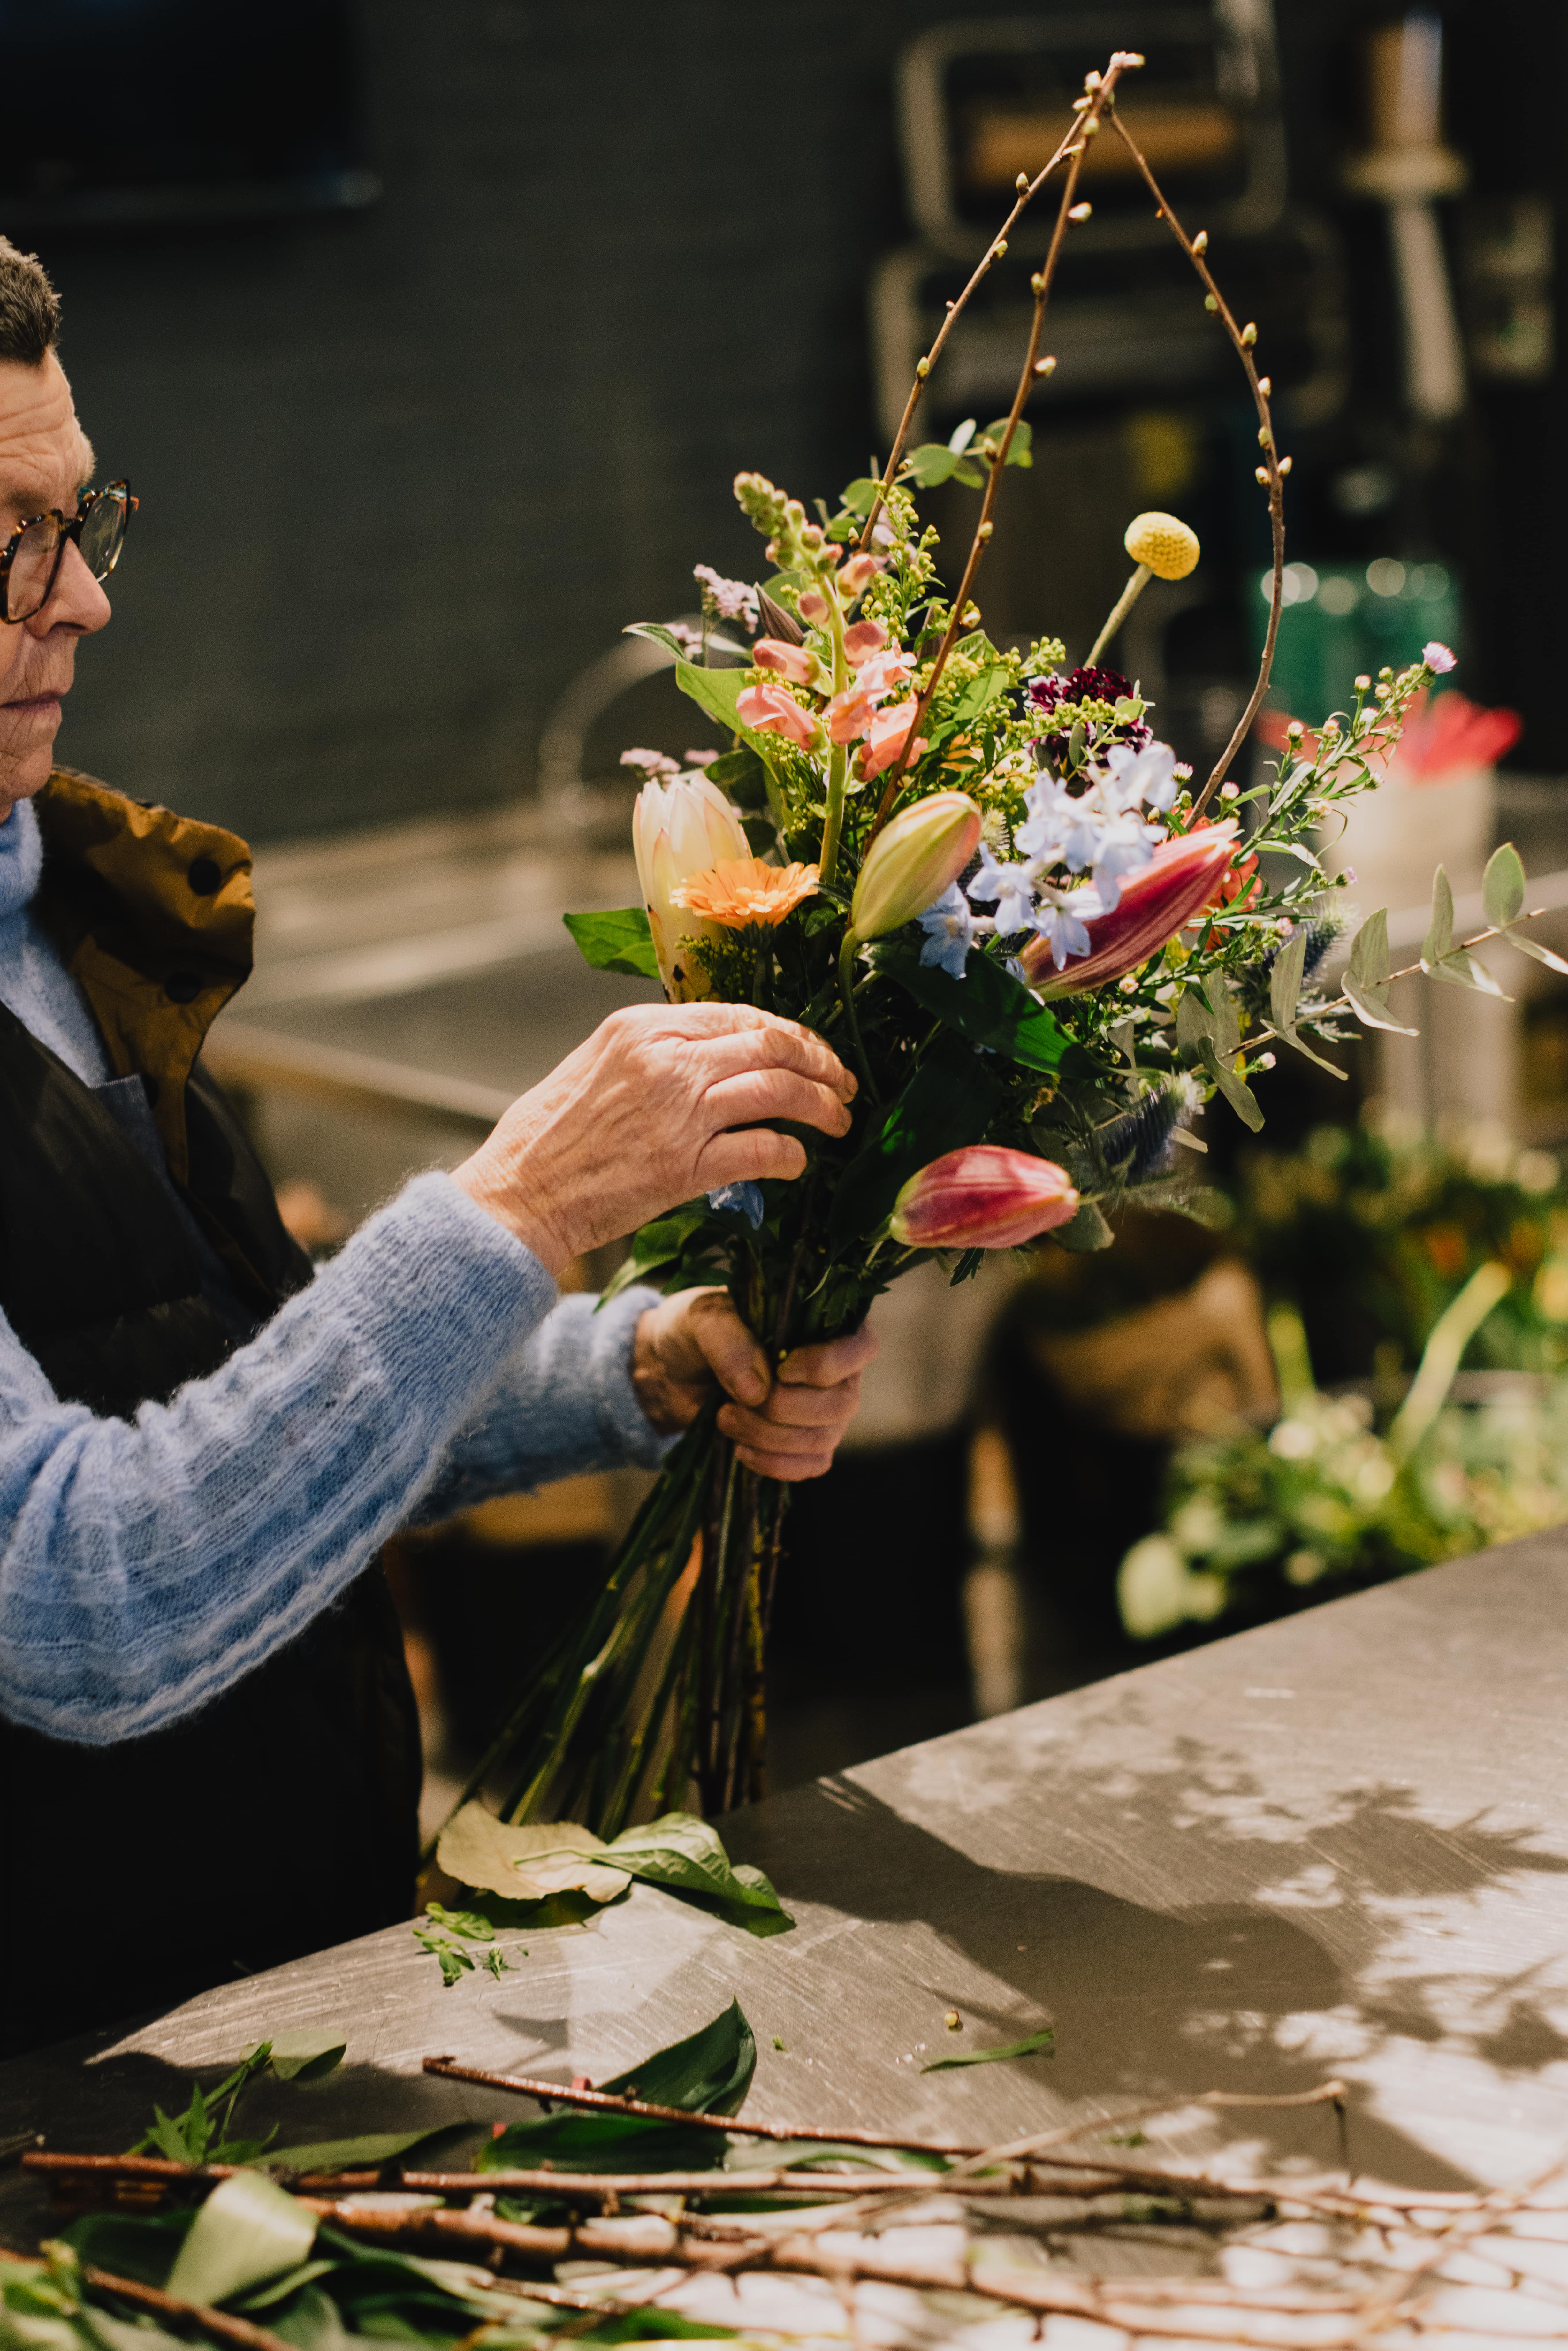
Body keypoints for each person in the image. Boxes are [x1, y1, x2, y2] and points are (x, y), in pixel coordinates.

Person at [0, 242, 875, 2056]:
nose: (81, 600)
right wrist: (521, 1205)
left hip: (287, 2026)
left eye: (84, 522)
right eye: (6, 539)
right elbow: (79, 1597)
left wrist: (624, 1363)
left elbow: (253, 1428)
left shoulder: (76, 917)